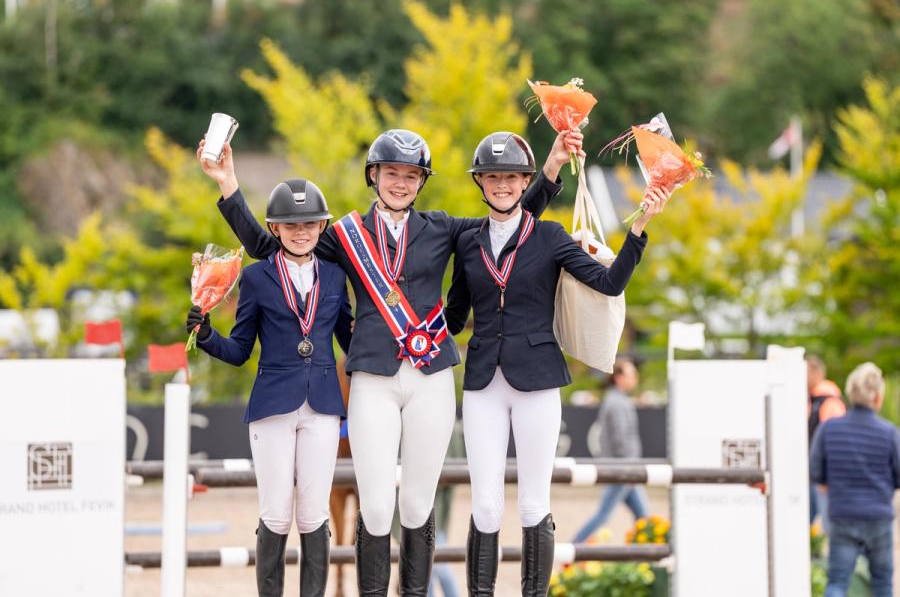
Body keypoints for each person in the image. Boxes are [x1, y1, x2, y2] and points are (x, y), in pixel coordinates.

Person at [205, 128, 581, 596]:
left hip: (430, 378)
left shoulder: (443, 227)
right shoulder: (345, 235)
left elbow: (512, 220)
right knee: (379, 507)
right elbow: (273, 249)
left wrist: (551, 169)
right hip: (373, 377)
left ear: (421, 182)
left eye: (410, 175)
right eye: (391, 174)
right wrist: (228, 185)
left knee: (418, 506)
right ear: (374, 176)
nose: (400, 183)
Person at [445, 131, 669, 596]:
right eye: (493, 177)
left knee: (533, 504)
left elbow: (609, 284)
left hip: (538, 381)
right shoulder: (467, 241)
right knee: (484, 506)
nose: (502, 185)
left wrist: (639, 228)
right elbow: (454, 315)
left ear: (525, 181)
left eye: (511, 178)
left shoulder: (549, 236)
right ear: (480, 182)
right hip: (483, 383)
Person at [185, 177, 353, 596]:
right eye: (291, 225)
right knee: (276, 514)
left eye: (310, 224)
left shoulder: (335, 276)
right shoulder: (257, 277)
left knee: (314, 515)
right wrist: (206, 336)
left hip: (323, 408)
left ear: (322, 226)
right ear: (274, 229)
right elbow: (240, 349)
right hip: (273, 406)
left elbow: (350, 339)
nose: (301, 232)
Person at [810, 362, 900, 597]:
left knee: (837, 581)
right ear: (878, 397)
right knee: (882, 584)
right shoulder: (889, 433)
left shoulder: (829, 429)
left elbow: (816, 471)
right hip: (879, 517)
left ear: (850, 393)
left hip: (842, 514)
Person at [572, 358, 649, 543]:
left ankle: (646, 554)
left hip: (624, 469)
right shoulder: (617, 403)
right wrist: (630, 472)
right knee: (604, 515)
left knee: (642, 517)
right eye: (631, 374)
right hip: (622, 470)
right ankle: (573, 547)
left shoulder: (617, 400)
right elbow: (620, 440)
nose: (635, 378)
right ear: (619, 378)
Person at [806, 355, 846, 528]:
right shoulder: (812, 399)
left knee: (829, 525)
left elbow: (838, 443)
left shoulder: (829, 402)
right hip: (812, 474)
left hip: (823, 478)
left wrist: (826, 476)